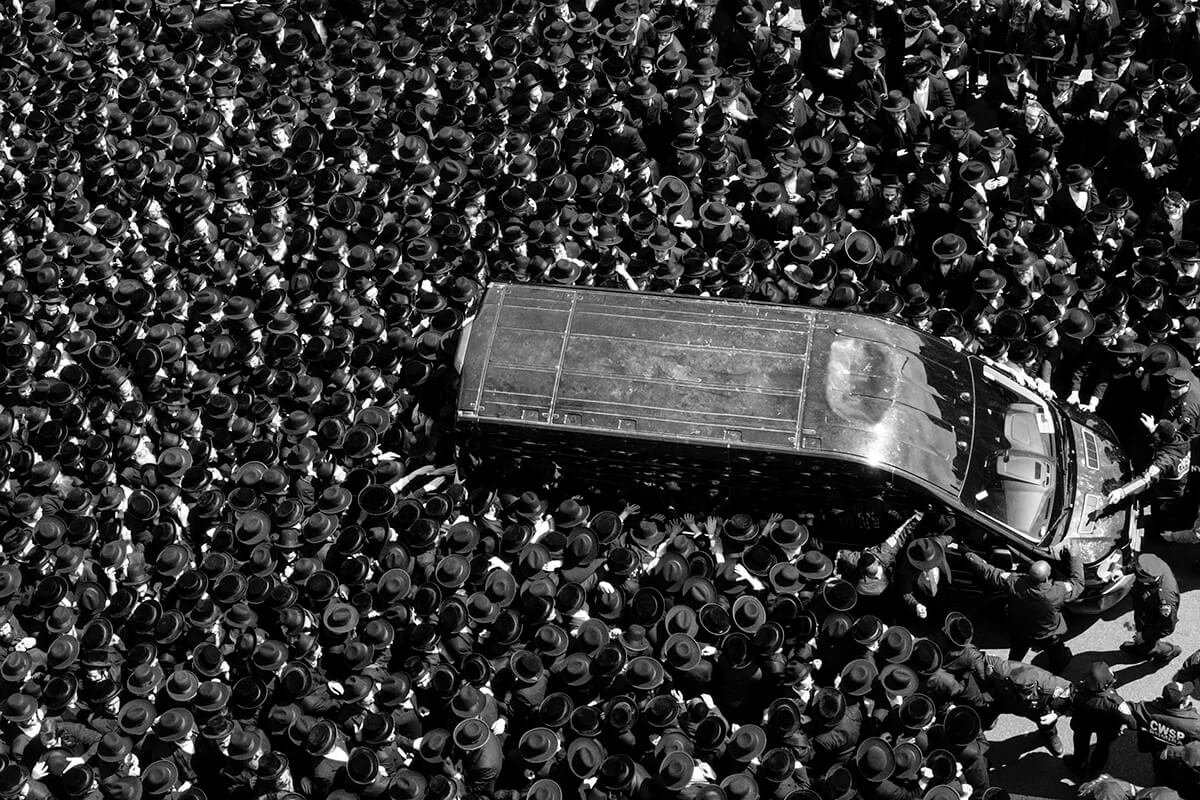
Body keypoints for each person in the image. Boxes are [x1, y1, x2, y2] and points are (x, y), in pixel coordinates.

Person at [964, 544, 1084, 672]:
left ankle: (1008, 672)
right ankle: (1058, 667)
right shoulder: (1057, 592)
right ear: (1047, 578)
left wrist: (968, 554)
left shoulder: (1014, 583)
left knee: (1016, 654)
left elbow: (988, 571)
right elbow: (1078, 583)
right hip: (1046, 634)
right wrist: (1075, 557)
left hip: (1020, 631)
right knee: (1057, 653)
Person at [1122, 682, 1200, 786]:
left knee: (1160, 771)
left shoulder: (1147, 709)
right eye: (1186, 695)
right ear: (1182, 703)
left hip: (1157, 752)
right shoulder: (1194, 724)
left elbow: (1123, 707)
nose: (1189, 696)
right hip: (1180, 758)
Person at [1067, 662, 1128, 776]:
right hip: (1106, 728)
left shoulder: (1077, 690)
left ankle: (1078, 764)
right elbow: (1128, 718)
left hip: (1082, 724)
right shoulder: (1114, 701)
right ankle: (1095, 768)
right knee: (1102, 747)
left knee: (1080, 745)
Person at [1121, 553, 1182, 664]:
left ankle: (1169, 652)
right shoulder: (1152, 565)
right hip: (1143, 608)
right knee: (1141, 631)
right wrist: (1122, 571)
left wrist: (1144, 635)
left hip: (1154, 620)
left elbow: (1166, 627)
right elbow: (1138, 566)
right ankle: (1141, 646)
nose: (1138, 578)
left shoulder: (1166, 600)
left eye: (1141, 578)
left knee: (1148, 642)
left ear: (1152, 579)